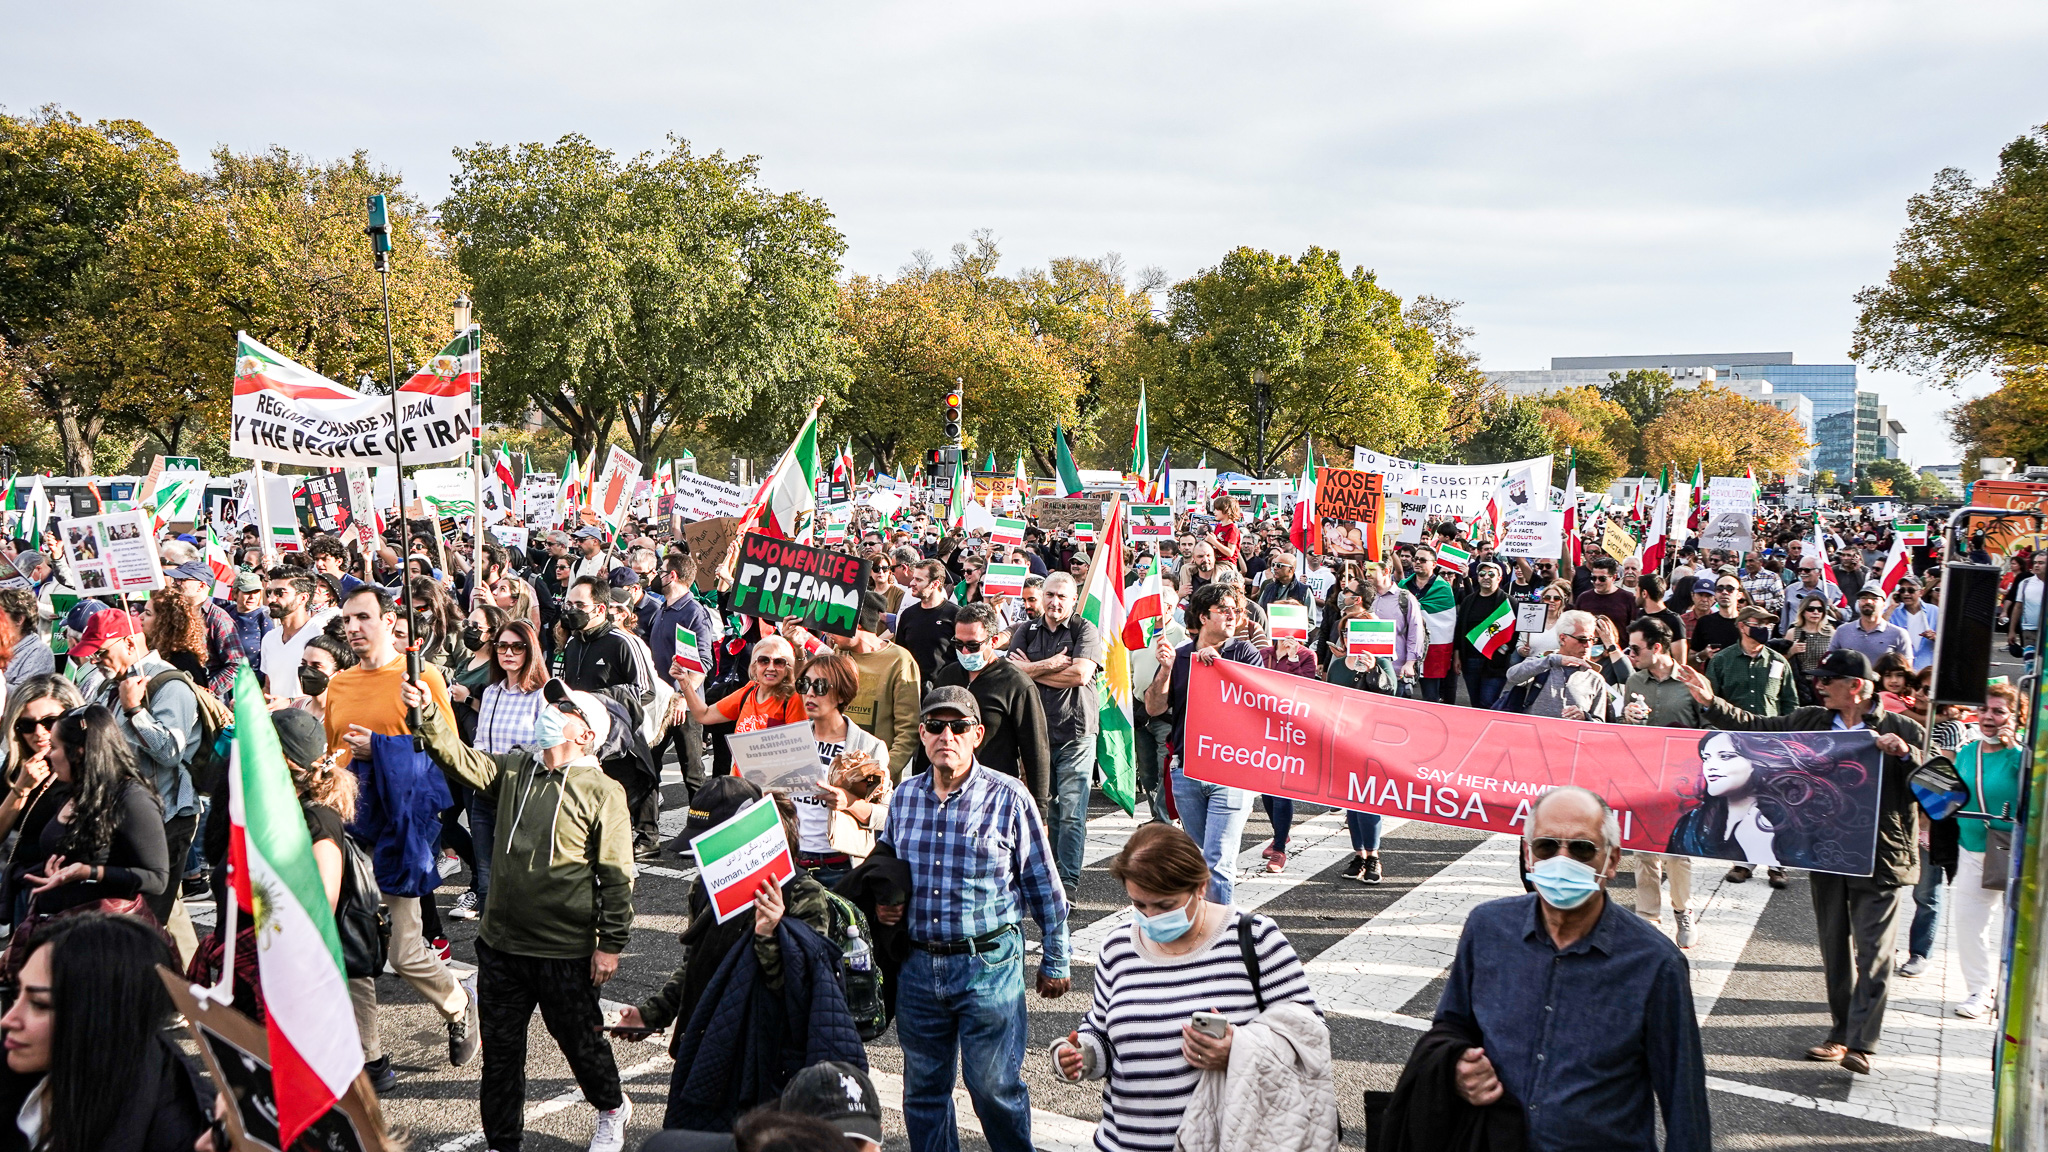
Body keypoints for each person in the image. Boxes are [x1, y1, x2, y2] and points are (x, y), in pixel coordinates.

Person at [395, 676, 636, 1152]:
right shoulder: (516, 768)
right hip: (501, 947)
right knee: (502, 1056)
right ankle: (502, 1143)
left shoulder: (604, 792)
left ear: (587, 734)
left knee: (581, 1044)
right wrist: (429, 713)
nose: (551, 711)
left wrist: (610, 945)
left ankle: (612, 1106)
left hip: (564, 952)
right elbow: (460, 758)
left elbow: (617, 875)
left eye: (565, 708)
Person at [1670, 649, 1925, 1074]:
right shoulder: (1812, 721)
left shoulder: (1902, 727)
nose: (1819, 686)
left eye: (1827, 680)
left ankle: (1862, 1043)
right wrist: (1711, 701)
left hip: (1880, 858)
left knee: (1874, 952)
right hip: (1827, 853)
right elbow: (1757, 729)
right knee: (1834, 949)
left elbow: (1937, 783)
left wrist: (1905, 755)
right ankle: (1840, 1033)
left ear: (1856, 686)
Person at [1432, 786, 1710, 1150]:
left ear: (1612, 861)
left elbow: (1684, 1101)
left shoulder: (1655, 964)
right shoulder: (1487, 929)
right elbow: (1451, 1024)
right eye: (1546, 846)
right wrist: (1455, 1066)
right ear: (1528, 855)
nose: (1561, 860)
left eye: (1582, 849)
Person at [875, 686, 1071, 1152]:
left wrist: (1057, 959)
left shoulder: (1010, 797)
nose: (947, 736)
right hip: (918, 967)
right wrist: (885, 900)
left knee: (994, 1090)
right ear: (922, 734)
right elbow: (888, 866)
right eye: (935, 726)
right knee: (923, 1092)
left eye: (958, 726)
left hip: (987, 966)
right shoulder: (904, 797)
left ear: (977, 735)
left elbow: (1044, 885)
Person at [1051, 823, 1327, 1152]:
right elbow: (1102, 1032)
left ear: (1201, 886)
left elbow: (1310, 1034)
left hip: (1224, 1141)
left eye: (1165, 905)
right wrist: (1080, 1055)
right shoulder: (1118, 947)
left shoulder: (1254, 938)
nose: (1151, 917)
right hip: (1124, 1141)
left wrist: (1237, 1051)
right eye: (1140, 905)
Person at [320, 585, 476, 1083]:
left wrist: (383, 748)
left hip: (402, 829)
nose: (353, 628)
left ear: (390, 621)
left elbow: (447, 753)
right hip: (349, 829)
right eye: (347, 620)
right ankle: (369, 1057)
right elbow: (332, 757)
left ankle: (458, 1004)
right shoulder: (340, 684)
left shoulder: (421, 677)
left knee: (404, 952)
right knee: (351, 945)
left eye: (363, 617)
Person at [0, 913, 212, 1152]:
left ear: (105, 1018)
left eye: (39, 1004)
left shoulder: (175, 1130)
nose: (8, 1020)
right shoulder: (18, 1071)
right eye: (17, 993)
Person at [70, 609, 199, 926]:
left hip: (165, 817)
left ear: (129, 643)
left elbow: (171, 752)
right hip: (124, 814)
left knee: (147, 919)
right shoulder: (109, 684)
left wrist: (135, 709)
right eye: (93, 654)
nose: (96, 661)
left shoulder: (170, 684)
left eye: (102, 652)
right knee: (148, 910)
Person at [1144, 582, 1265, 903]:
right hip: (1187, 770)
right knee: (1201, 858)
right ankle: (1212, 917)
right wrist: (1165, 670)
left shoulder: (1244, 653)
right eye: (1223, 610)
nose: (1232, 616)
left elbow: (1256, 704)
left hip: (1232, 770)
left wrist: (1219, 667)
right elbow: (1154, 707)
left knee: (1218, 861)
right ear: (1202, 616)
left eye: (1236, 610)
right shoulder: (1181, 655)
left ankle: (1218, 929)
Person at [1009, 571, 1103, 891]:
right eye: (1049, 595)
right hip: (1036, 733)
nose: (1054, 602)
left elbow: (1080, 675)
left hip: (1076, 732)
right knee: (1042, 809)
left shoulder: (1084, 629)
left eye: (1062, 596)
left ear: (1074, 599)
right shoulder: (1026, 630)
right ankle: (1047, 875)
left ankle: (1068, 882)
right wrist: (1050, 665)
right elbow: (1011, 672)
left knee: (1072, 812)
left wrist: (1029, 670)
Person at [451, 617, 548, 924]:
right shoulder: (492, 692)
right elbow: (481, 739)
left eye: (517, 647)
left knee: (520, 872)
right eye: (502, 646)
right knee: (485, 874)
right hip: (486, 792)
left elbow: (545, 747)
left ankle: (522, 932)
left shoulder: (542, 694)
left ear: (530, 651)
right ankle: (489, 937)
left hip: (521, 793)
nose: (508, 653)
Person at [1615, 617, 1703, 944]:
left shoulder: (1691, 681)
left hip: (1681, 781)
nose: (1630, 654)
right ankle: (1647, 917)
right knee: (1644, 852)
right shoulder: (1634, 681)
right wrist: (1626, 718)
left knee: (1677, 853)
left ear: (1656, 647)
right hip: (1643, 776)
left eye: (1635, 648)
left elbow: (1710, 728)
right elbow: (1625, 729)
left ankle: (1683, 910)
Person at [926, 602, 1052, 812]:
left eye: (973, 645)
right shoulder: (948, 676)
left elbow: (1036, 750)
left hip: (995, 795)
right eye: (958, 644)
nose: (965, 651)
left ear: (993, 641)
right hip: (947, 792)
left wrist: (1040, 810)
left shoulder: (1016, 683)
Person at [1948, 682, 2024, 1019]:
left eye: (1998, 711)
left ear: (2016, 717)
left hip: (2014, 852)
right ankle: (1980, 990)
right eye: (1983, 709)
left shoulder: (2023, 756)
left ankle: (2015, 992)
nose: (1988, 717)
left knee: (2017, 927)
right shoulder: (1968, 752)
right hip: (1972, 848)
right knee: (1968, 923)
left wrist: (2017, 750)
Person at [790, 652, 890, 888]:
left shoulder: (869, 747)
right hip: (793, 862)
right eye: (804, 684)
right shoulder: (792, 738)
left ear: (842, 694)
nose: (810, 693)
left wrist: (848, 802)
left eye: (820, 686)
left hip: (839, 867)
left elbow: (885, 816)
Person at [831, 593, 922, 777]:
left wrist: (883, 773)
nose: (828, 631)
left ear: (857, 623)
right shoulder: (838, 654)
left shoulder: (899, 660)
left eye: (835, 622)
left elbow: (908, 730)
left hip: (876, 779)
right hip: (835, 773)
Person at [1502, 610, 1610, 720]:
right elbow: (1512, 675)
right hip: (1533, 729)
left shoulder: (1595, 679)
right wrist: (1553, 660)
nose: (1588, 645)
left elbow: (1600, 722)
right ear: (1563, 638)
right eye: (1582, 639)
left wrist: (1585, 717)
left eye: (1592, 640)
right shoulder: (1542, 664)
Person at [259, 566, 341, 699]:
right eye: (269, 593)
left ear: (303, 598)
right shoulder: (269, 639)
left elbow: (330, 690)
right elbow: (268, 688)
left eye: (280, 593)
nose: (271, 599)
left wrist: (290, 702)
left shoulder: (320, 635)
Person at [1706, 605, 1800, 717]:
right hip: (1733, 726)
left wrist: (1791, 725)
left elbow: (1790, 702)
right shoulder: (1721, 661)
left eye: (1767, 624)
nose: (1765, 628)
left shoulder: (1778, 661)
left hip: (1769, 726)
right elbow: (1710, 701)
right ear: (1742, 626)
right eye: (1759, 623)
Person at [1451, 559, 1512, 709]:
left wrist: (1503, 651)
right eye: (1482, 573)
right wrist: (1457, 655)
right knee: (1476, 703)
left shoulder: (1509, 602)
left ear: (1499, 578)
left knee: (1488, 702)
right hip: (1470, 660)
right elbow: (1460, 629)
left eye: (1491, 574)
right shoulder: (1468, 601)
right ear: (1477, 578)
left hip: (1495, 662)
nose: (1486, 577)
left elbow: (1514, 633)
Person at [1402, 546, 1458, 704]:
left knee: (1430, 696)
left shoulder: (1443, 588)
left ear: (1434, 564)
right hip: (1405, 647)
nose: (1417, 562)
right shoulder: (1403, 585)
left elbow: (1447, 622)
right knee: (1402, 695)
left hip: (1433, 651)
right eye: (1416, 559)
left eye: (1422, 560)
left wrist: (1419, 610)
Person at [895, 560, 959, 686]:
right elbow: (901, 653)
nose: (912, 583)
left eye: (918, 580)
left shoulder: (955, 615)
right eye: (913, 578)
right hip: (912, 687)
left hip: (944, 688)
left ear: (935, 584)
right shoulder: (908, 615)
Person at [1829, 586, 1913, 665]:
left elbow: (1906, 668)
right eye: (1864, 598)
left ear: (1884, 604)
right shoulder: (1842, 631)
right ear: (1858, 603)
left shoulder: (1898, 634)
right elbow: (1829, 662)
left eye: (1874, 598)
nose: (1868, 601)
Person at [1886, 577, 1938, 671]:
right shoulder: (1893, 611)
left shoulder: (1934, 611)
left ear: (1921, 592)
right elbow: (1880, 629)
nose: (1906, 594)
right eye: (1902, 590)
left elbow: (1948, 641)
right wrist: (1892, 607)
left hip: (1927, 669)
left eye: (1911, 590)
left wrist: (1935, 637)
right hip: (1902, 669)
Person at [1574, 556, 1637, 633]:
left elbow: (1635, 629)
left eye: (1602, 579)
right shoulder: (1583, 598)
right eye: (1594, 578)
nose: (1597, 582)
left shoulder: (1628, 599)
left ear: (1614, 577)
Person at [2007, 551, 2048, 655]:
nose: (2037, 565)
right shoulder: (2025, 583)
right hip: (2029, 630)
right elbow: (2018, 607)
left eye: (2041, 563)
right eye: (2035, 563)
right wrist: (2011, 630)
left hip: (2046, 631)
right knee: (2029, 660)